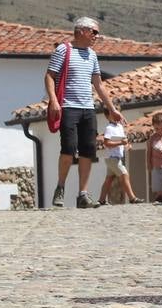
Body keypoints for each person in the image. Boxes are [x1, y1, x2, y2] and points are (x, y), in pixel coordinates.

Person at [45, 17, 123, 209]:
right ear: (81, 31)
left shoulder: (92, 55)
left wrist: (112, 109)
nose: (97, 36)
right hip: (68, 107)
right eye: (94, 32)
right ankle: (60, 187)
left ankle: (83, 194)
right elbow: (49, 76)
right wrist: (54, 100)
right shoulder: (63, 50)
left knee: (88, 150)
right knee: (69, 148)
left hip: (88, 108)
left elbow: (98, 84)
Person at [98, 118, 140, 204]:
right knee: (124, 175)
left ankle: (101, 200)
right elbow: (107, 143)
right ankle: (132, 198)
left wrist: (127, 145)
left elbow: (124, 140)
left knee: (109, 179)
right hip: (112, 158)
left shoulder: (120, 127)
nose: (117, 118)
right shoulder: (109, 128)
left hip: (115, 158)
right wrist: (121, 143)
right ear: (108, 115)